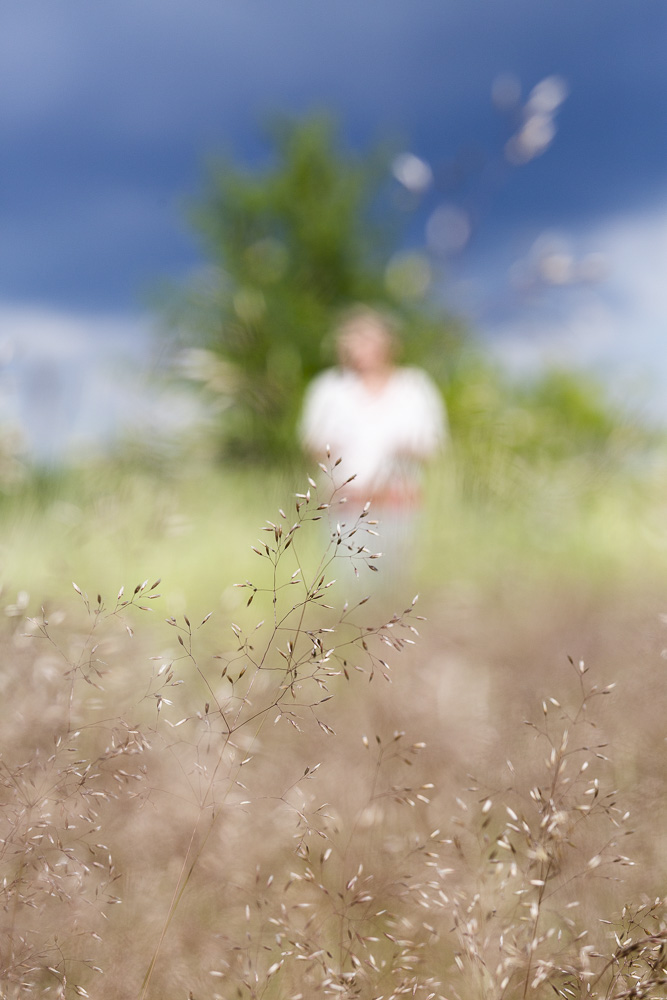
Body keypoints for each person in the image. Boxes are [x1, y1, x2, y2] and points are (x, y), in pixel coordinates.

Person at [300, 306, 446, 587]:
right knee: (347, 595)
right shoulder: (328, 389)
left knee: (402, 593)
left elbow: (433, 445)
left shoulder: (414, 386)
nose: (358, 347)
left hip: (400, 509)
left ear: (388, 342)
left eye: (366, 338)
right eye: (351, 338)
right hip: (345, 511)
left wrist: (404, 449)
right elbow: (311, 445)